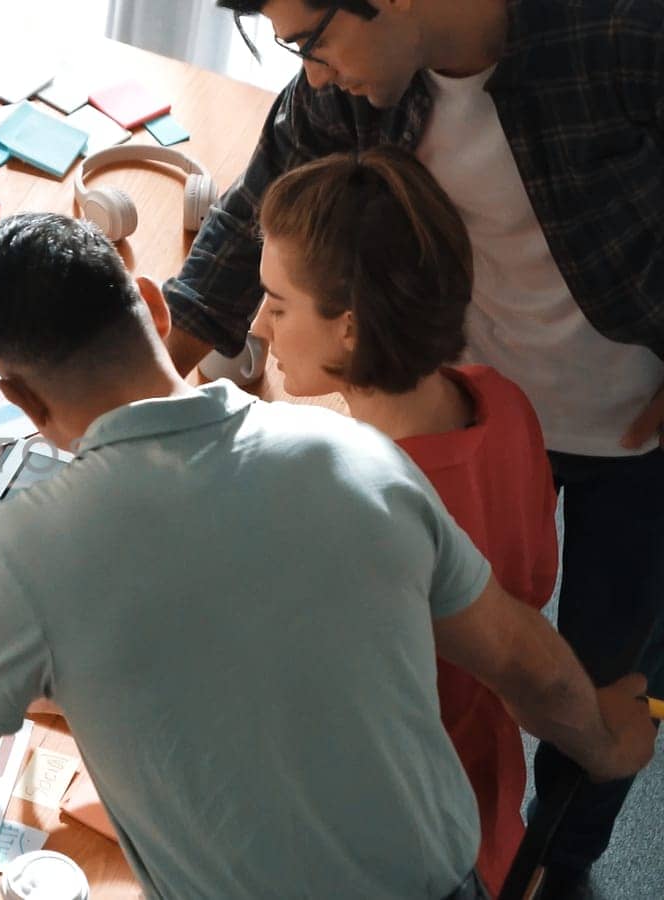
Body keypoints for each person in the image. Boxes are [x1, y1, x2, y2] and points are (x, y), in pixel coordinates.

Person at [0, 213, 656, 899]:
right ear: (148, 303)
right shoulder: (356, 455)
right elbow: (517, 653)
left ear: (19, 400)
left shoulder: (27, 549)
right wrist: (600, 738)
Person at [164, 4, 664, 890]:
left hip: (634, 430)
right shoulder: (359, 83)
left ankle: (561, 862)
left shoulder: (621, 31)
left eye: (310, 40)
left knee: (596, 673)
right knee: (503, 620)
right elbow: (258, 209)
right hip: (483, 395)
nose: (309, 72)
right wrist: (137, 385)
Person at [251, 145, 558, 892]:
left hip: (391, 833)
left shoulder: (353, 503)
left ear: (349, 328)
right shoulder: (499, 398)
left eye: (279, 303)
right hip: (486, 788)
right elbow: (538, 575)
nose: (258, 325)